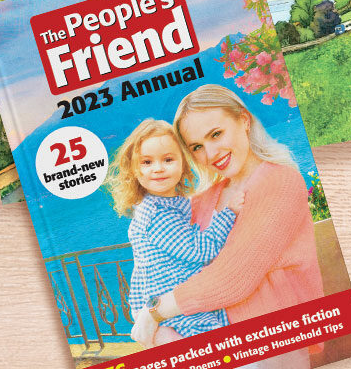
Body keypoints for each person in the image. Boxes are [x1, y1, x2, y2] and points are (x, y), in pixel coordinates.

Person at [131, 85, 323, 369]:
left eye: (216, 134)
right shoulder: (205, 199)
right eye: (196, 147)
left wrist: (153, 314)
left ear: (244, 120)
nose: (210, 153)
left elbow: (233, 278)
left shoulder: (279, 181)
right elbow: (157, 263)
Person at [109, 118, 244, 345]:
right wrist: (229, 212)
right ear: (135, 170)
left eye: (168, 159)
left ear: (183, 162)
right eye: (147, 162)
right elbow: (202, 250)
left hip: (171, 303)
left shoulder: (165, 204)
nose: (158, 168)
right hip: (177, 307)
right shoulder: (157, 216)